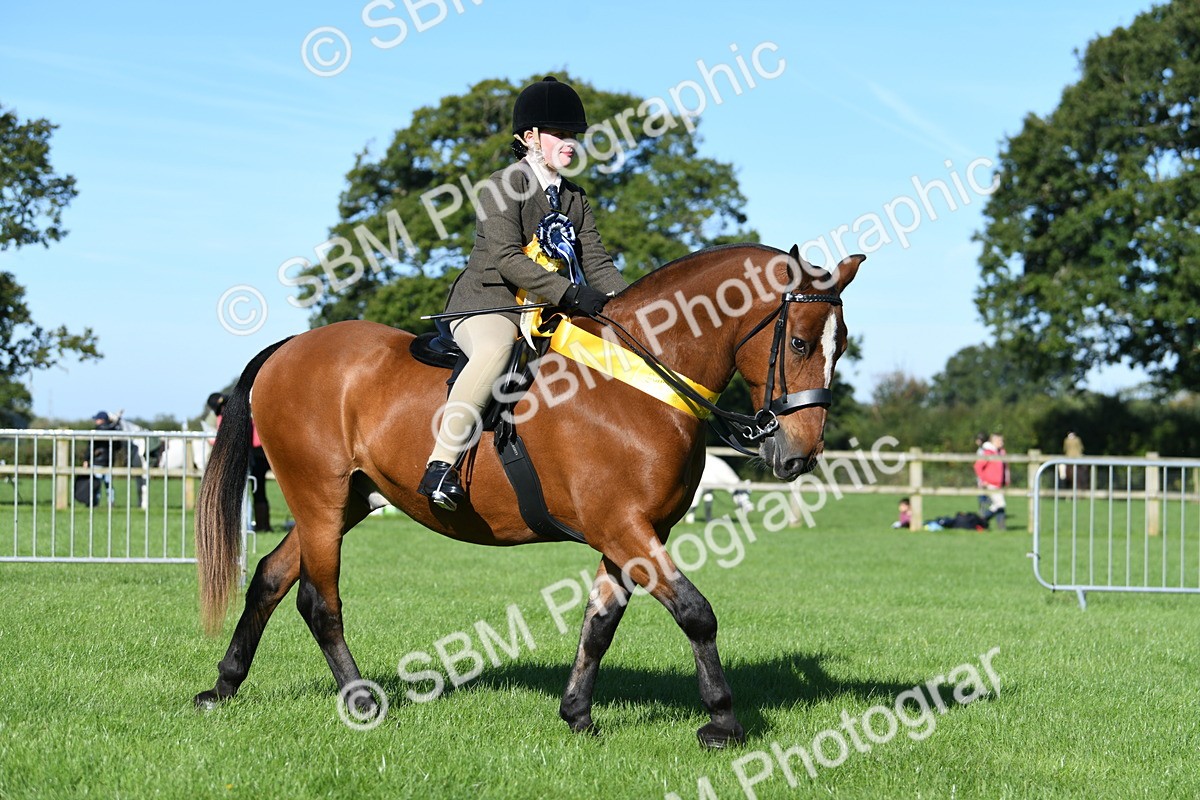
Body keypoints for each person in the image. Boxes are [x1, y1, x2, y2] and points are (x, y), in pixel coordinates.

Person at [418, 76, 629, 510]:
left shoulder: (575, 198)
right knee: (496, 350)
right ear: (530, 137)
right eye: (560, 134)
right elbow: (507, 259)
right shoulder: (503, 185)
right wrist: (571, 294)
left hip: (548, 311)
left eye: (573, 136)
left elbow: (599, 264)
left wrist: (631, 307)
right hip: (489, 304)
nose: (569, 143)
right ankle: (440, 466)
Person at [208, 392, 273, 533]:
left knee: (249, 491)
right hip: (258, 454)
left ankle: (245, 525)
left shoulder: (228, 416)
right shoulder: (243, 408)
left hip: (251, 455)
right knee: (258, 491)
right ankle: (263, 525)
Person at [88, 410, 147, 508]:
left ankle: (96, 502)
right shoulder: (111, 431)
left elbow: (91, 447)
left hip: (99, 461)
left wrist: (89, 457)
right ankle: (108, 502)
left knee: (98, 484)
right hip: (108, 460)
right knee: (107, 484)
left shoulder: (98, 431)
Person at [973, 433, 1010, 530]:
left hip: (998, 484)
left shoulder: (1001, 452)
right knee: (1000, 504)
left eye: (1002, 441)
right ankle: (982, 520)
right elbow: (978, 466)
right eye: (999, 441)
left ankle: (999, 527)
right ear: (993, 441)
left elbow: (1005, 468)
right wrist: (983, 480)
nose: (1001, 443)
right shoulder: (988, 453)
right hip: (990, 483)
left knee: (998, 505)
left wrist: (1006, 480)